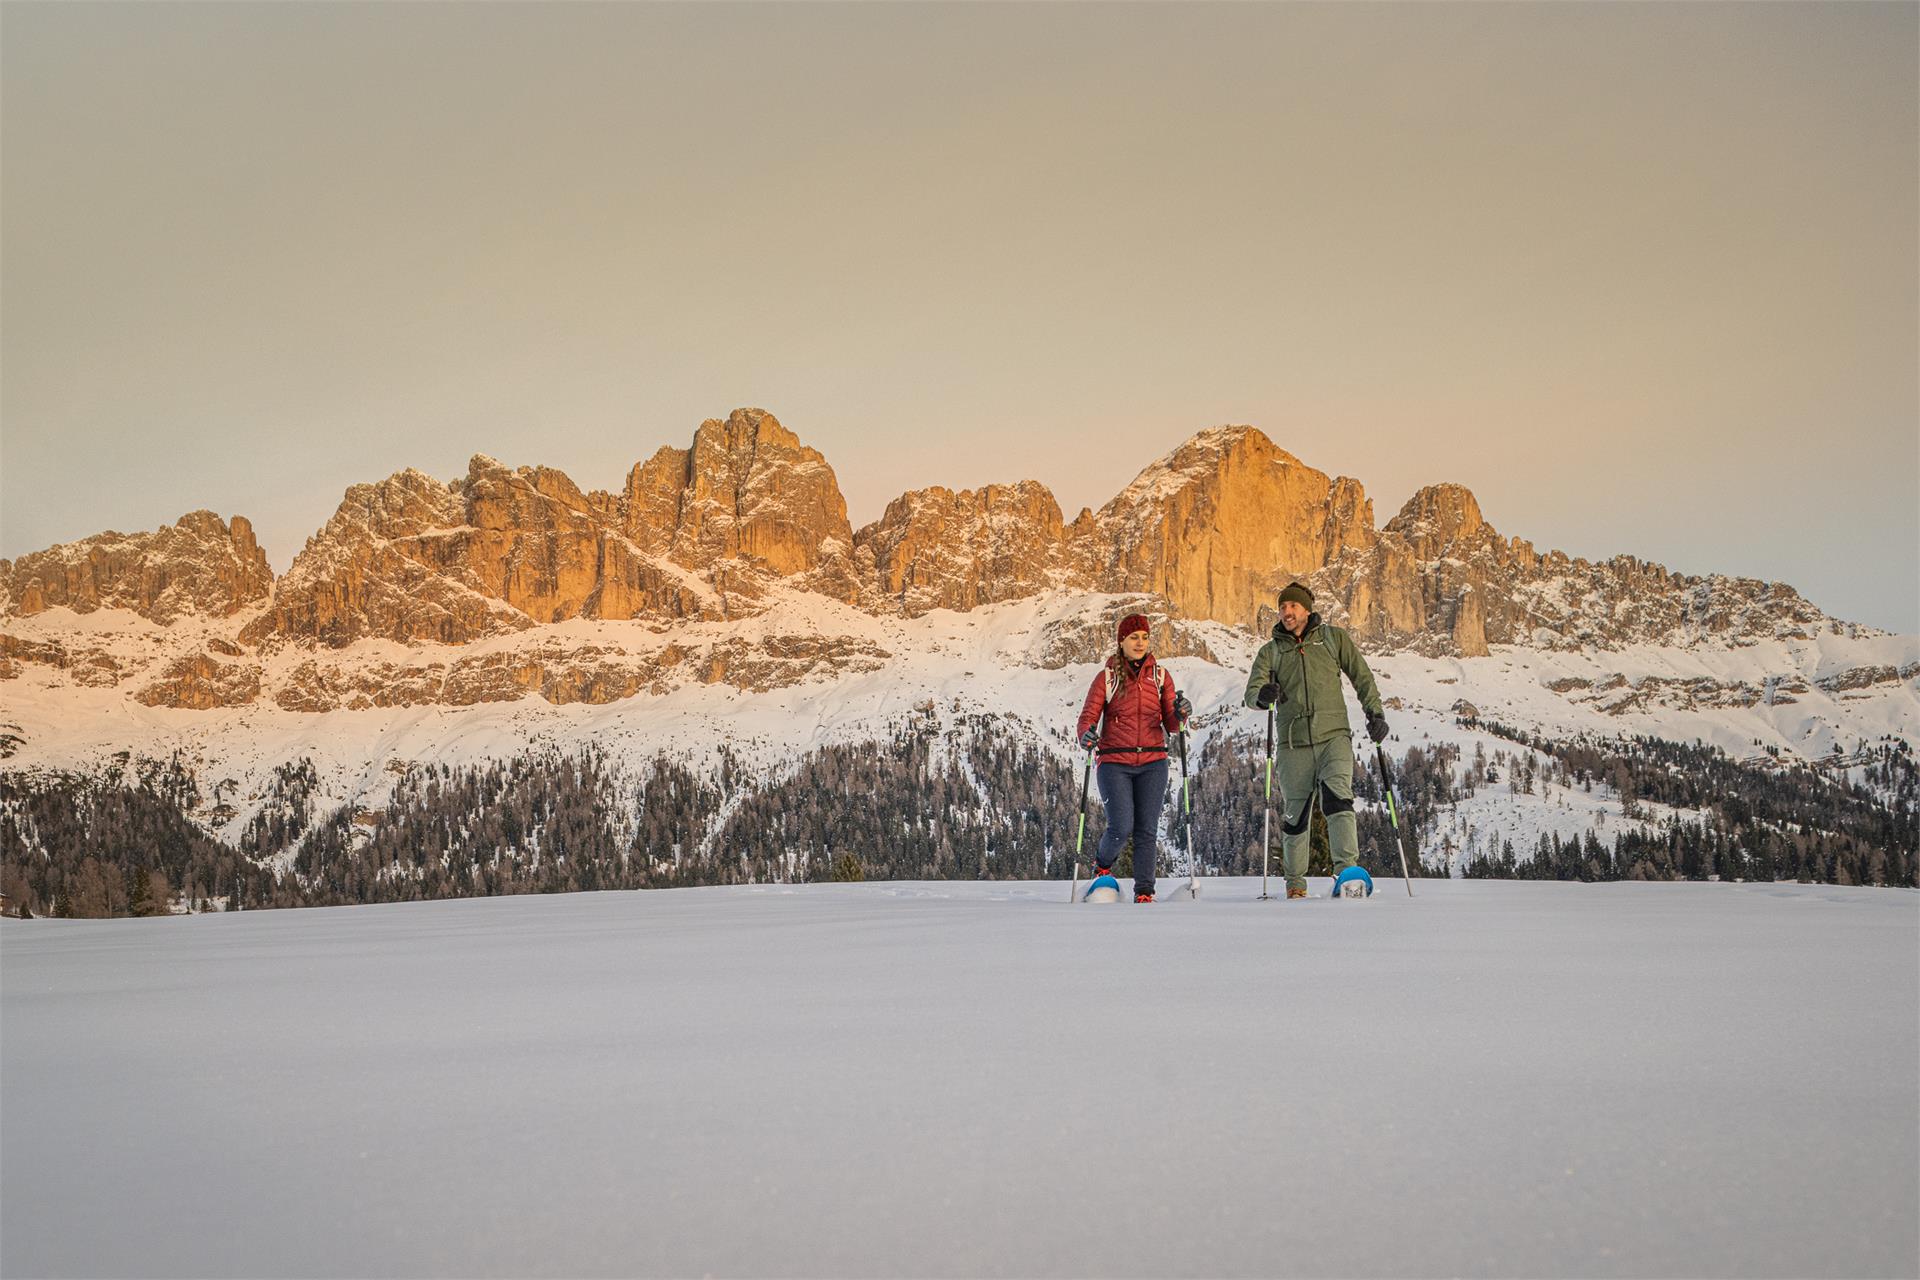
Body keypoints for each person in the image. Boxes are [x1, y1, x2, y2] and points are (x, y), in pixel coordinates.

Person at [1244, 582, 1388, 898]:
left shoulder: (1334, 639)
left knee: (1339, 799)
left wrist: (1375, 714)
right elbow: (1251, 694)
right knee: (1295, 815)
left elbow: (1362, 676)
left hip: (1333, 736)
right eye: (1282, 607)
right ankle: (1295, 883)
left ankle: (1347, 874)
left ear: (1307, 609)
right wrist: (1263, 696)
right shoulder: (1271, 651)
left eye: (1292, 606)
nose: (1286, 612)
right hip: (1293, 745)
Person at [1075, 613, 1191, 903]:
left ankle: (1145, 893)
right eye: (1133, 637)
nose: (1140, 642)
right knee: (1121, 826)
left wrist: (1181, 713)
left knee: (1146, 830)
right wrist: (1086, 735)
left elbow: (1173, 725)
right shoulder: (1108, 676)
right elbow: (1088, 717)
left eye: (1144, 637)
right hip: (1114, 762)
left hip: (1154, 762)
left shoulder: (1160, 676)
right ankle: (1102, 866)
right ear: (1121, 642)